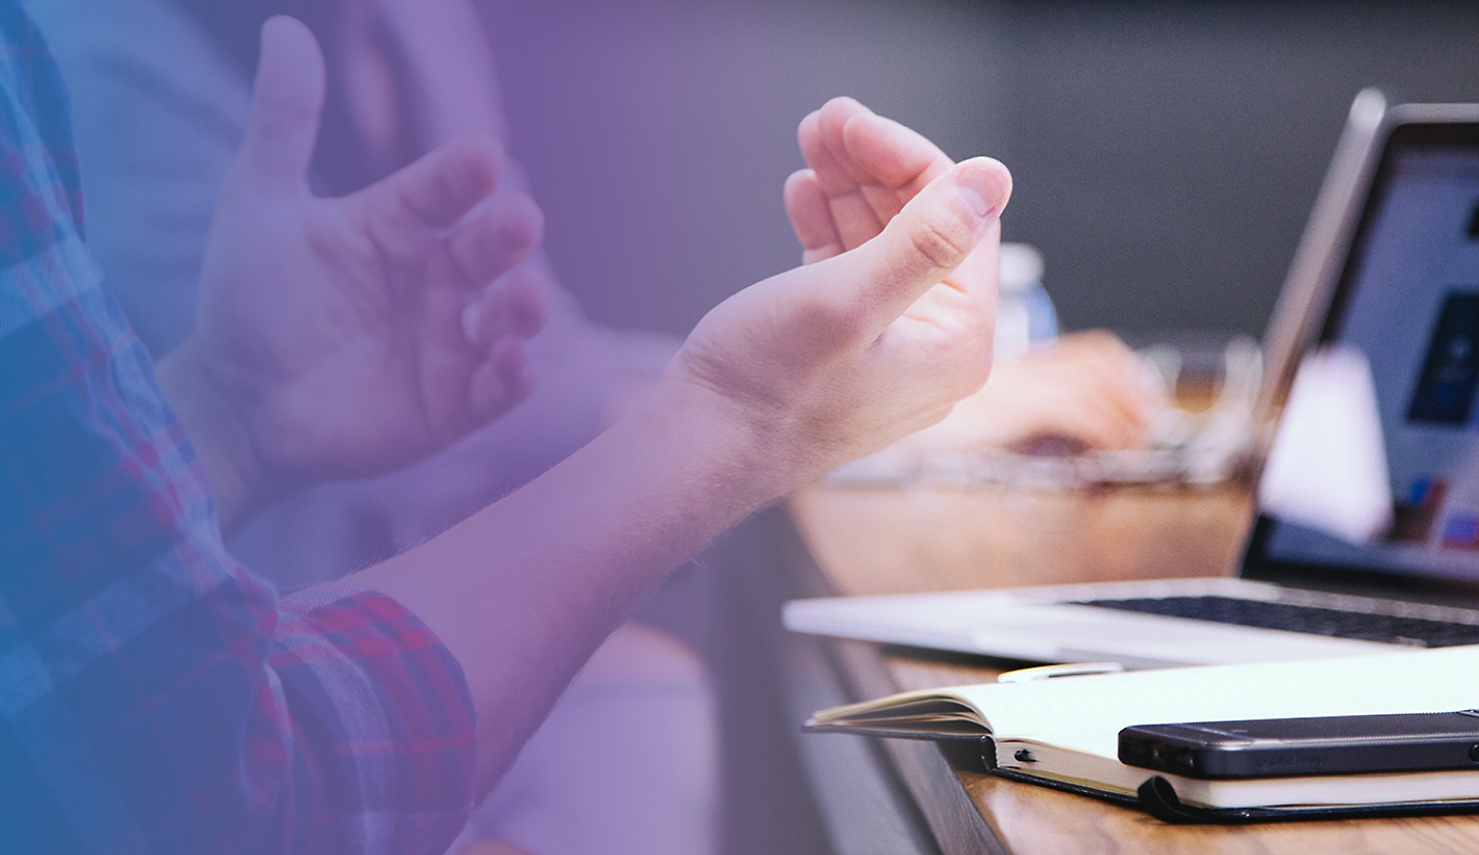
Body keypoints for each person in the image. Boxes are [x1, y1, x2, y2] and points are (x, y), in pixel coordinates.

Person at [0, 5, 1014, 853]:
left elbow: (45, 583)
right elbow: (229, 784)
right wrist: (742, 419)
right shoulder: (88, 48)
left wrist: (224, 420)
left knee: (647, 705)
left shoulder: (411, 19)